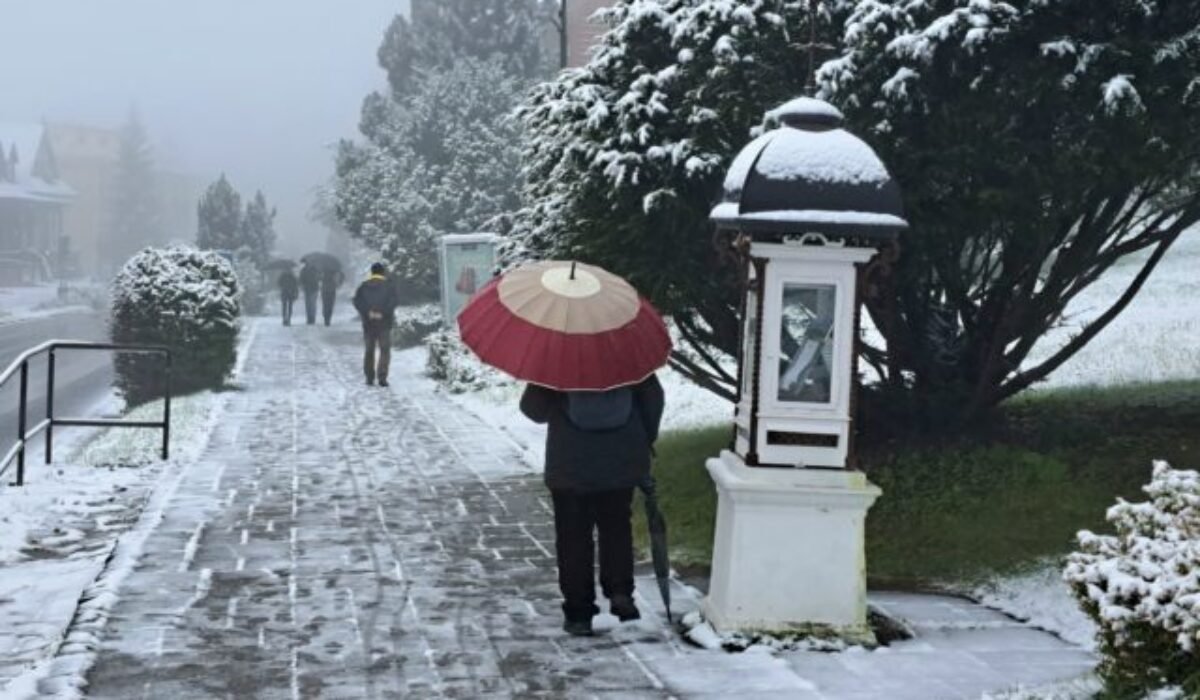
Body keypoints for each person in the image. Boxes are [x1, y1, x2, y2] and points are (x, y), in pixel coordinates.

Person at [519, 375, 665, 637]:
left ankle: (578, 611)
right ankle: (621, 594)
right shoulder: (630, 361)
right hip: (620, 459)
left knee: (572, 538)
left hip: (569, 462)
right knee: (617, 528)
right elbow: (653, 401)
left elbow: (534, 410)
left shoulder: (557, 364)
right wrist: (643, 439)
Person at [352, 263, 399, 387]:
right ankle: (382, 376)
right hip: (384, 323)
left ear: (372, 272)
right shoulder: (389, 286)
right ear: (383, 272)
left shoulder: (364, 286)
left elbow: (357, 301)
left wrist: (368, 312)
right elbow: (394, 301)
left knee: (369, 350)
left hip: (368, 323)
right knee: (384, 350)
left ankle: (369, 377)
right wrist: (382, 313)